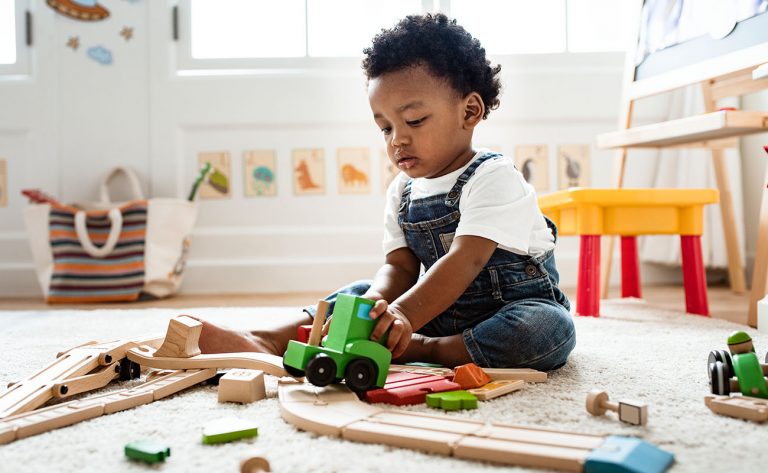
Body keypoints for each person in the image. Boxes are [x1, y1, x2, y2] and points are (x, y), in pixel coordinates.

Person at [197, 13, 575, 370]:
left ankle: (427, 350)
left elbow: (466, 261)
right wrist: (375, 307)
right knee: (359, 293)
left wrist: (404, 316)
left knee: (545, 329)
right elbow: (400, 268)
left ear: (469, 112)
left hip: (506, 310)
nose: (398, 139)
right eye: (385, 127)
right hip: (433, 311)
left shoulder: (494, 176)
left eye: (414, 120)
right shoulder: (403, 191)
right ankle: (268, 339)